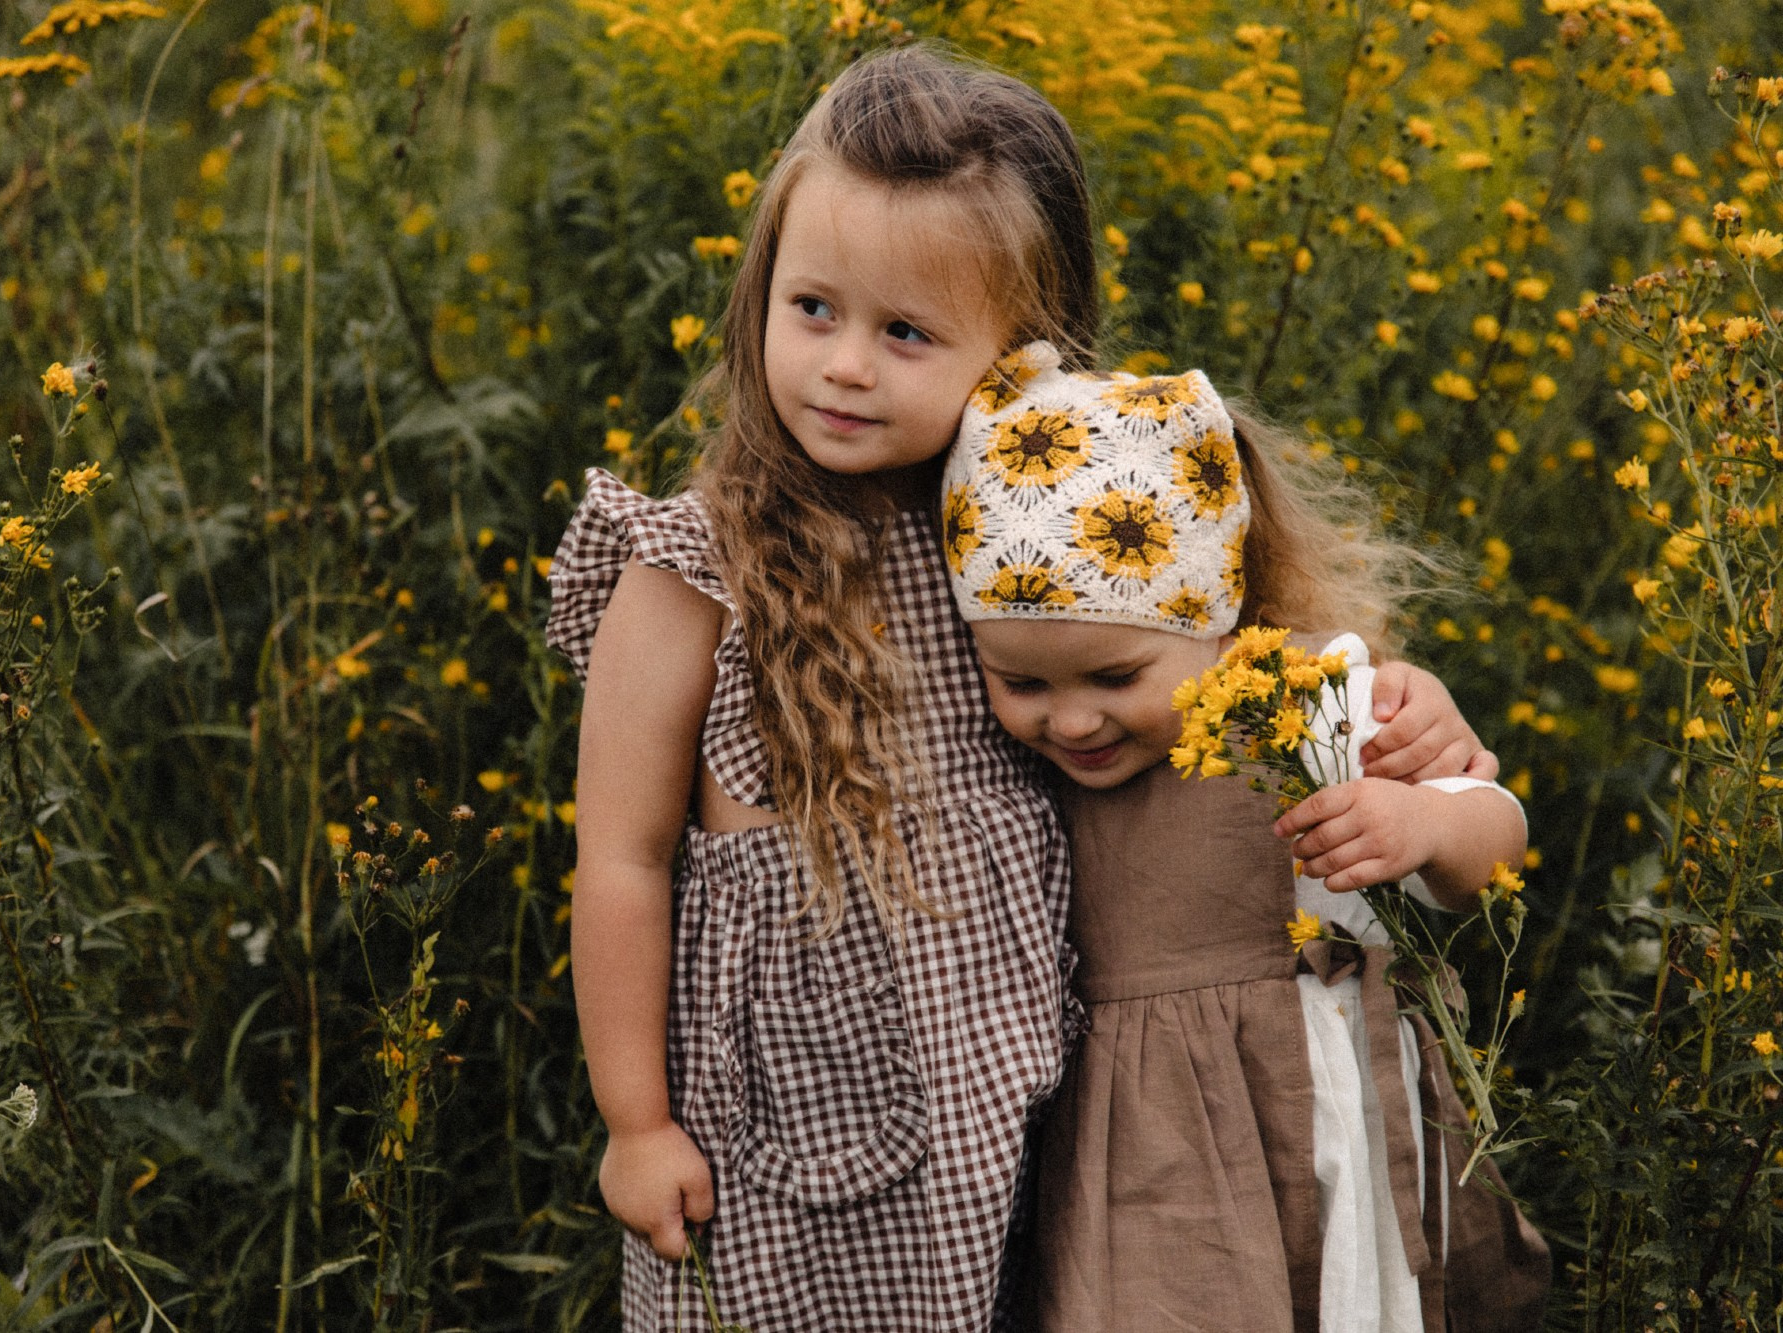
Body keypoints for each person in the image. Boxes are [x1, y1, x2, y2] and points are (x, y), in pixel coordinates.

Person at [547, 46, 1490, 1333]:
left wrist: (1397, 707)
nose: (842, 366)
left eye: (905, 333)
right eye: (811, 307)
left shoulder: (1025, 531)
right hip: (779, 1145)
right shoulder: (690, 569)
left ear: (1021, 356)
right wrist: (633, 1121)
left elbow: (1227, 662)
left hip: (1016, 1130)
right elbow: (621, 857)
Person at [941, 341, 1550, 1332]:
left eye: (1112, 678)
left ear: (1216, 624)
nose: (1072, 721)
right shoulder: (1011, 763)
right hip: (1128, 1156)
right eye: (1022, 684)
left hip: (1308, 1115)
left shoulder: (1292, 700)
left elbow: (1497, 834)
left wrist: (1426, 822)